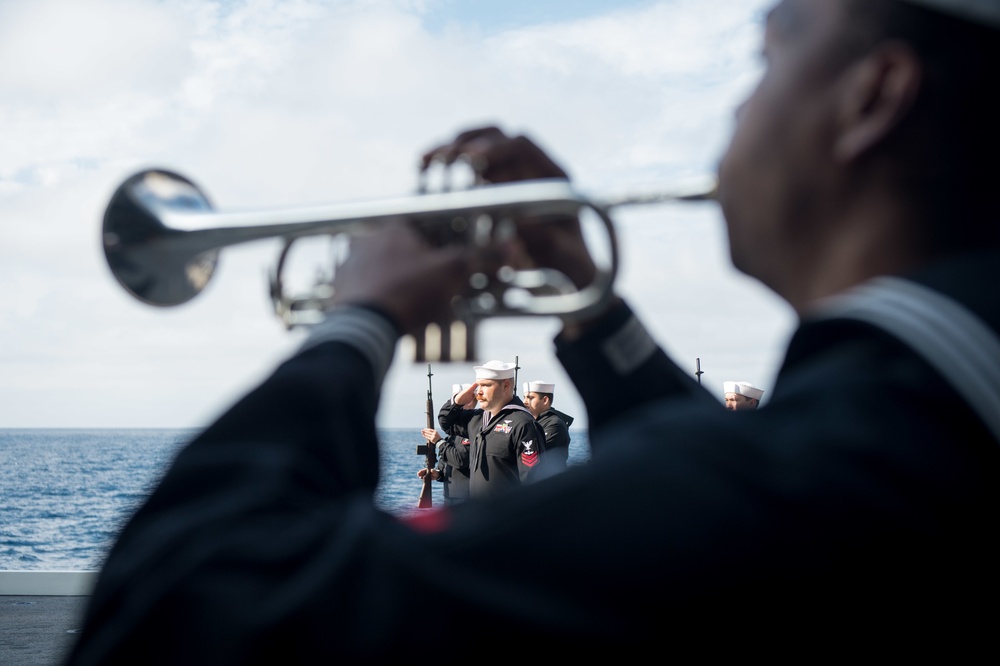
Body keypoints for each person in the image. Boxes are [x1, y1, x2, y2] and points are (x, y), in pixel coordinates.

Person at [67, 0, 1000, 661]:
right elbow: (723, 495)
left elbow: (174, 614)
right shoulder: (924, 416)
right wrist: (589, 303)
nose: (738, 108)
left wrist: (360, 319)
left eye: (767, 55)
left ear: (872, 96)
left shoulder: (847, 469)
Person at [438, 361, 547, 499]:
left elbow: (533, 481)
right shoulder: (477, 419)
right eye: (478, 386)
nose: (479, 392)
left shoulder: (523, 423)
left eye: (486, 385)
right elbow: (446, 422)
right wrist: (457, 401)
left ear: (506, 385)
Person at [417, 384, 473, 503]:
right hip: (450, 498)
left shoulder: (473, 430)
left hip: (468, 500)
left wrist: (438, 441)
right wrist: (437, 474)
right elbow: (448, 464)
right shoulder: (452, 433)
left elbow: (460, 460)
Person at [522, 379, 574, 467]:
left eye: (530, 398)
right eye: (524, 397)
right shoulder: (533, 422)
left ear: (545, 400)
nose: (525, 402)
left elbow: (535, 453)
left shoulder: (555, 425)